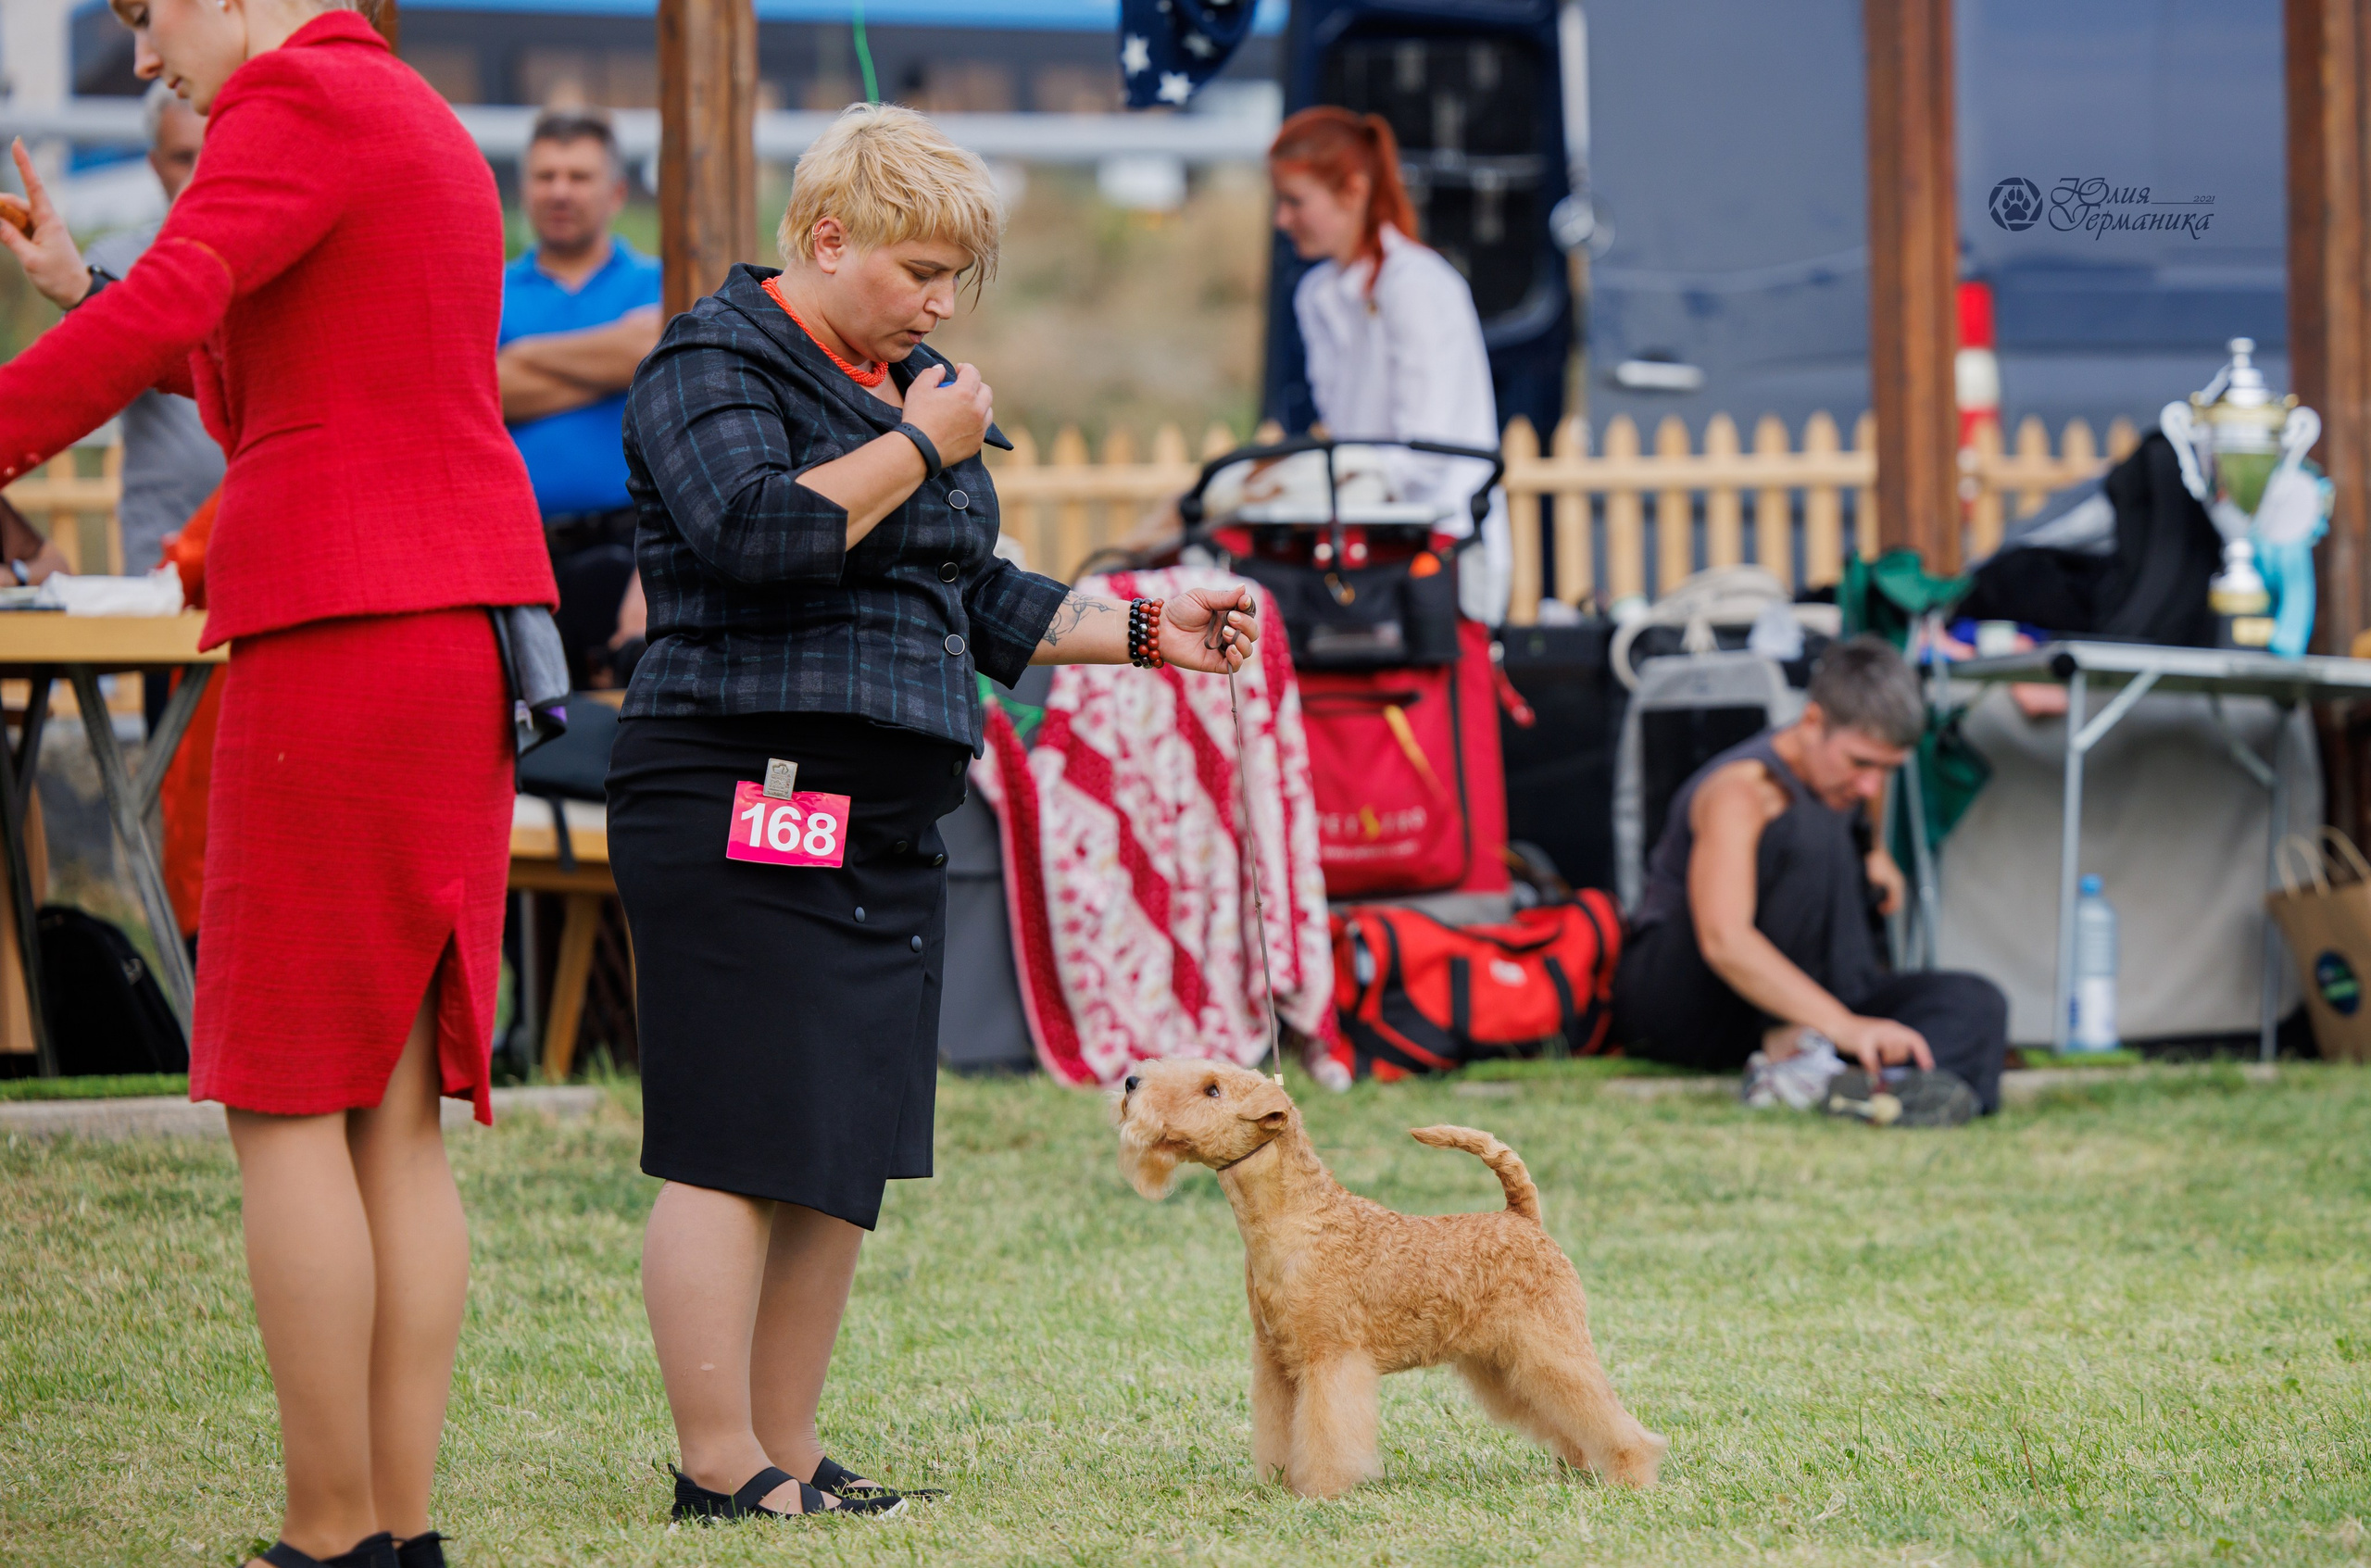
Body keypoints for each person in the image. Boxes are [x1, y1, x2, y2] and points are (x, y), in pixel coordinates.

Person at [608, 101, 1257, 1522]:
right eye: (918, 270)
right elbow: (756, 533)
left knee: (838, 1143)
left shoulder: (909, 383)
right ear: (826, 238)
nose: (941, 301)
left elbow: (973, 593)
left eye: (958, 276)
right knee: (733, 1136)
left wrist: (1154, 629)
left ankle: (784, 1446)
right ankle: (716, 1466)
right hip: (734, 787)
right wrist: (919, 439)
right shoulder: (711, 361)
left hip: (881, 818)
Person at [0, 2, 554, 1564]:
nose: (142, 56)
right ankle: (393, 1529)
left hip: (338, 625)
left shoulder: (292, 104)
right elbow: (276, 368)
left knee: (287, 1102)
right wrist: (85, 288)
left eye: (148, 13)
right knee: (389, 1113)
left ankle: (326, 1535)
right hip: (454, 632)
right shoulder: (414, 120)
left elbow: (189, 303)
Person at [1610, 637, 2008, 1123]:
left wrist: (1876, 852)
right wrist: (1846, 1027)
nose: (1870, 786)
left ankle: (1859, 1085)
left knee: (1977, 1003)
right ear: (1813, 722)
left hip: (1818, 995)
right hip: (1692, 1002)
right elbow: (1724, 940)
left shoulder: (1848, 784)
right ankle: (1813, 1058)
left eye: (1887, 770)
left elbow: (1868, 792)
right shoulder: (1743, 791)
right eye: (1860, 763)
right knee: (1805, 827)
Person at [1269, 106, 1512, 623]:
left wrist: (1308, 484)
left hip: (1441, 553)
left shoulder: (1417, 285)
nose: (1281, 219)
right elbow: (1346, 433)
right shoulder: (1318, 293)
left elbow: (1423, 455)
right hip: (1370, 551)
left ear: (1353, 190)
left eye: (1294, 201)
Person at [497, 107, 662, 687]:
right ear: (524, 189)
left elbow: (653, 345)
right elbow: (483, 390)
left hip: (632, 558)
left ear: (617, 191)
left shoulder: (662, 281)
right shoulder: (490, 289)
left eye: (579, 176)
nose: (560, 191)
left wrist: (520, 357)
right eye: (546, 176)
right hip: (517, 557)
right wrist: (617, 359)